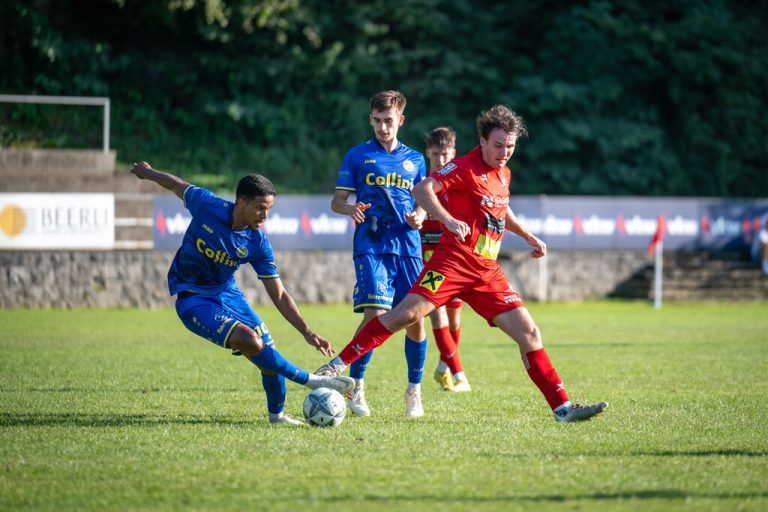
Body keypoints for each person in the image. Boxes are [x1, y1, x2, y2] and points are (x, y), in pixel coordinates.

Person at [317, 105, 608, 423]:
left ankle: (563, 409)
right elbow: (422, 189)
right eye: (498, 145)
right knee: (407, 314)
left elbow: (501, 208)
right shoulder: (463, 166)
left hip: (487, 273)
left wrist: (528, 236)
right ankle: (335, 367)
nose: (504, 153)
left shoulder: (504, 173)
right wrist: (447, 218)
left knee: (530, 333)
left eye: (510, 146)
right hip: (450, 265)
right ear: (482, 141)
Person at [130, 162, 354, 426]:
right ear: (241, 202)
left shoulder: (257, 242)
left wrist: (307, 332)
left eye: (269, 209)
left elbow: (279, 295)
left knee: (268, 352)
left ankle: (277, 416)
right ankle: (313, 381)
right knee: (251, 341)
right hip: (193, 298)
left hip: (227, 294)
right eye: (260, 208)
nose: (265, 216)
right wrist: (149, 173)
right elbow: (176, 184)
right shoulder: (207, 205)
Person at [331, 90, 429, 418]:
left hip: (408, 248)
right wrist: (350, 209)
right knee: (374, 313)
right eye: (377, 121)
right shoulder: (357, 156)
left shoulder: (415, 159)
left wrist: (420, 215)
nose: (382, 127)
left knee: (415, 319)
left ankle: (414, 391)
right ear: (370, 119)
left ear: (401, 120)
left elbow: (422, 201)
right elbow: (337, 201)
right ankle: (355, 385)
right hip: (371, 244)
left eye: (388, 121)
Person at [421, 127, 471, 392]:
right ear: (428, 154)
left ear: (454, 153)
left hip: (454, 259)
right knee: (437, 313)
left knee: (454, 321)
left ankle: (443, 367)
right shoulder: (423, 184)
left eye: (445, 154)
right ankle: (459, 374)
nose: (441, 160)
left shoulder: (459, 183)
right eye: (435, 155)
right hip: (428, 261)